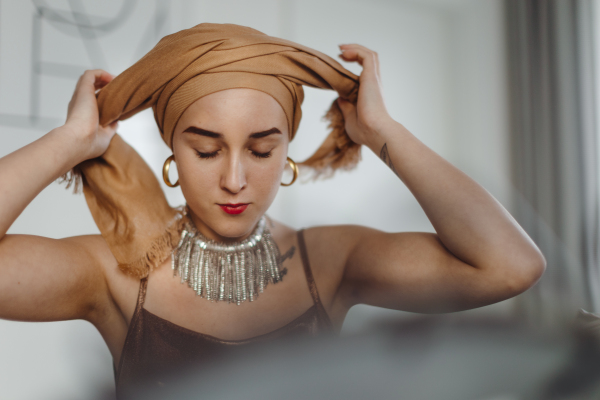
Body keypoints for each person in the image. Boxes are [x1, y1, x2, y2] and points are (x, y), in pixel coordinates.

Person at [0, 23, 545, 396]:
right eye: (206, 150)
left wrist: (383, 131)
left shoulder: (332, 261)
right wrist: (69, 143)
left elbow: (509, 266)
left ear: (287, 150)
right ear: (171, 152)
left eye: (261, 150)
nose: (235, 179)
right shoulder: (115, 273)